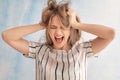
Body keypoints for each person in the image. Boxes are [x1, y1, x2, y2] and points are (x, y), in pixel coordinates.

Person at [2, 0, 115, 80]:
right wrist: (42, 24)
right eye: (53, 27)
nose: (58, 32)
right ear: (47, 30)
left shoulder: (82, 50)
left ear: (71, 29)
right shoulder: (40, 51)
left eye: (63, 27)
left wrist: (76, 24)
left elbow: (110, 34)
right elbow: (7, 36)